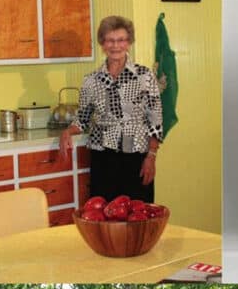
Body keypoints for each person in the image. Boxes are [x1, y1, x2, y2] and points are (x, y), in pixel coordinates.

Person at [59, 15, 162, 202]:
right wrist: (68, 131)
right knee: (103, 216)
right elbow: (83, 118)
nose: (116, 46)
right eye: (110, 40)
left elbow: (155, 121)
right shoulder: (91, 80)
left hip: (136, 157)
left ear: (129, 42)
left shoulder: (144, 76)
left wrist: (151, 157)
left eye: (121, 40)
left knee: (138, 217)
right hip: (102, 157)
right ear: (102, 44)